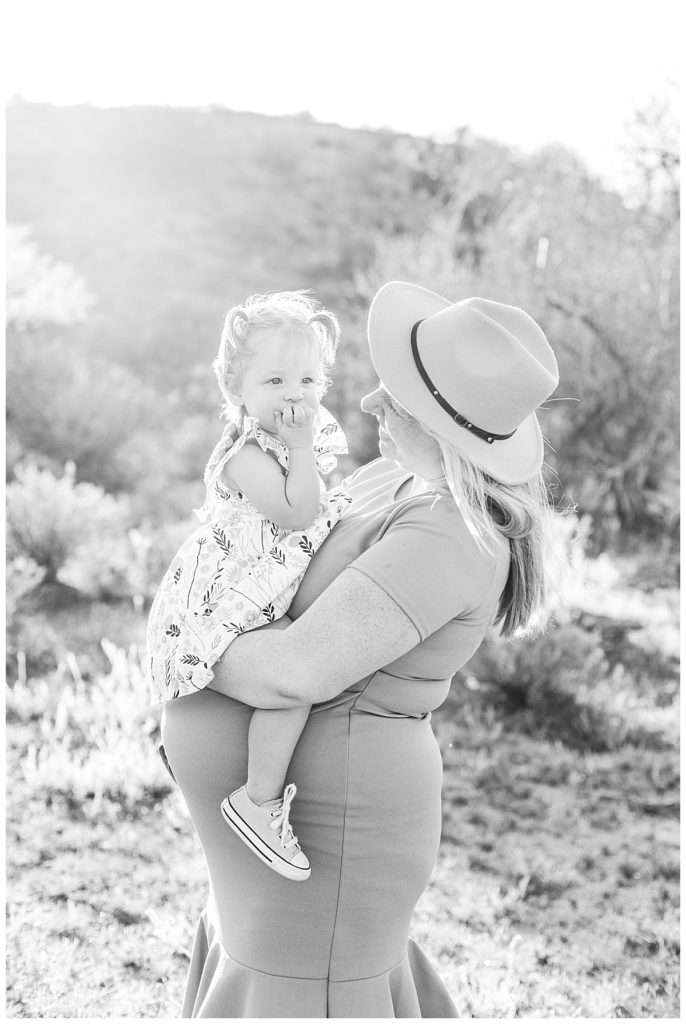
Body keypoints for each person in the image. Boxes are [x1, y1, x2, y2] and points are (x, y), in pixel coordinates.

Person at [159, 281, 560, 1017]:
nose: (370, 403)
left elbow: (295, 671)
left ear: (448, 426)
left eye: (397, 398)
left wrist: (183, 645)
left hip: (332, 838)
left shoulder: (448, 534)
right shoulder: (395, 480)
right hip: (270, 858)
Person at [147, 291, 351, 882]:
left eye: (310, 378)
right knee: (294, 679)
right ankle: (257, 801)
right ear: (236, 389)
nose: (296, 393)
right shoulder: (248, 454)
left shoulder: (289, 451)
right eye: (276, 379)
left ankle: (215, 761)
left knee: (295, 663)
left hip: (256, 596)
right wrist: (299, 447)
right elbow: (296, 513)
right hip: (224, 600)